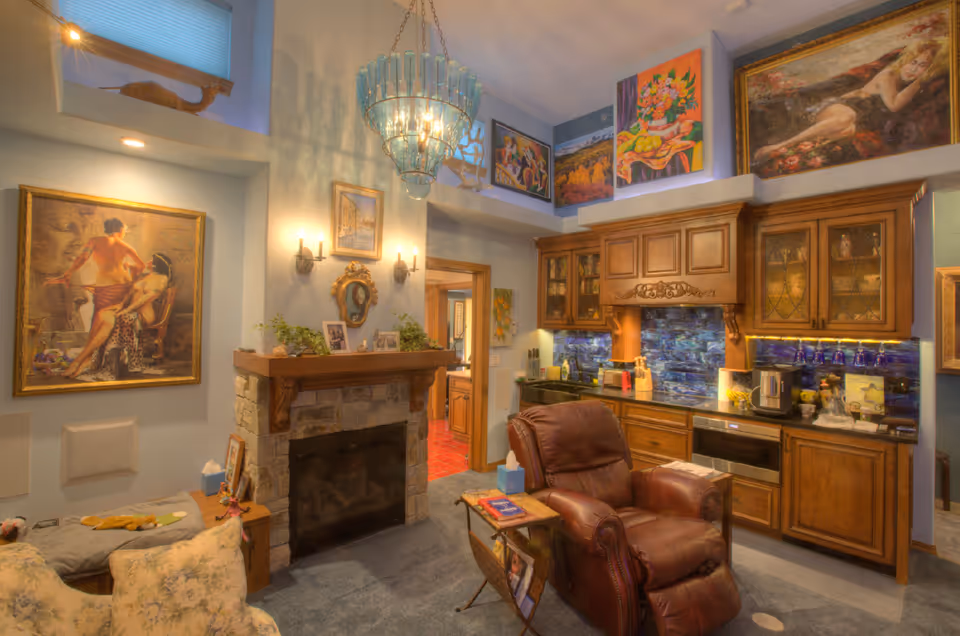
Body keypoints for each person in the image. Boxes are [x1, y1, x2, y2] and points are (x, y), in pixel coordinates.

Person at [754, 40, 943, 163]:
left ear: (928, 70)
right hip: (845, 108)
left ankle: (789, 152)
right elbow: (894, 105)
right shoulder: (890, 74)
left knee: (847, 131)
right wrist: (919, 81)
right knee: (846, 118)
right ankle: (778, 146)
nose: (914, 69)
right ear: (907, 60)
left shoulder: (909, 85)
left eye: (922, 66)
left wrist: (920, 81)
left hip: (859, 119)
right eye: (914, 62)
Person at [62, 253, 172, 378]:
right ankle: (85, 361)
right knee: (101, 314)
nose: (148, 261)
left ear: (157, 264)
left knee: (109, 321)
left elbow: (146, 298)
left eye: (151, 260)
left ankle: (81, 362)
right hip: (130, 310)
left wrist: (127, 310)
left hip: (143, 315)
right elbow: (130, 294)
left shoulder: (161, 278)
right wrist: (120, 306)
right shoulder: (146, 276)